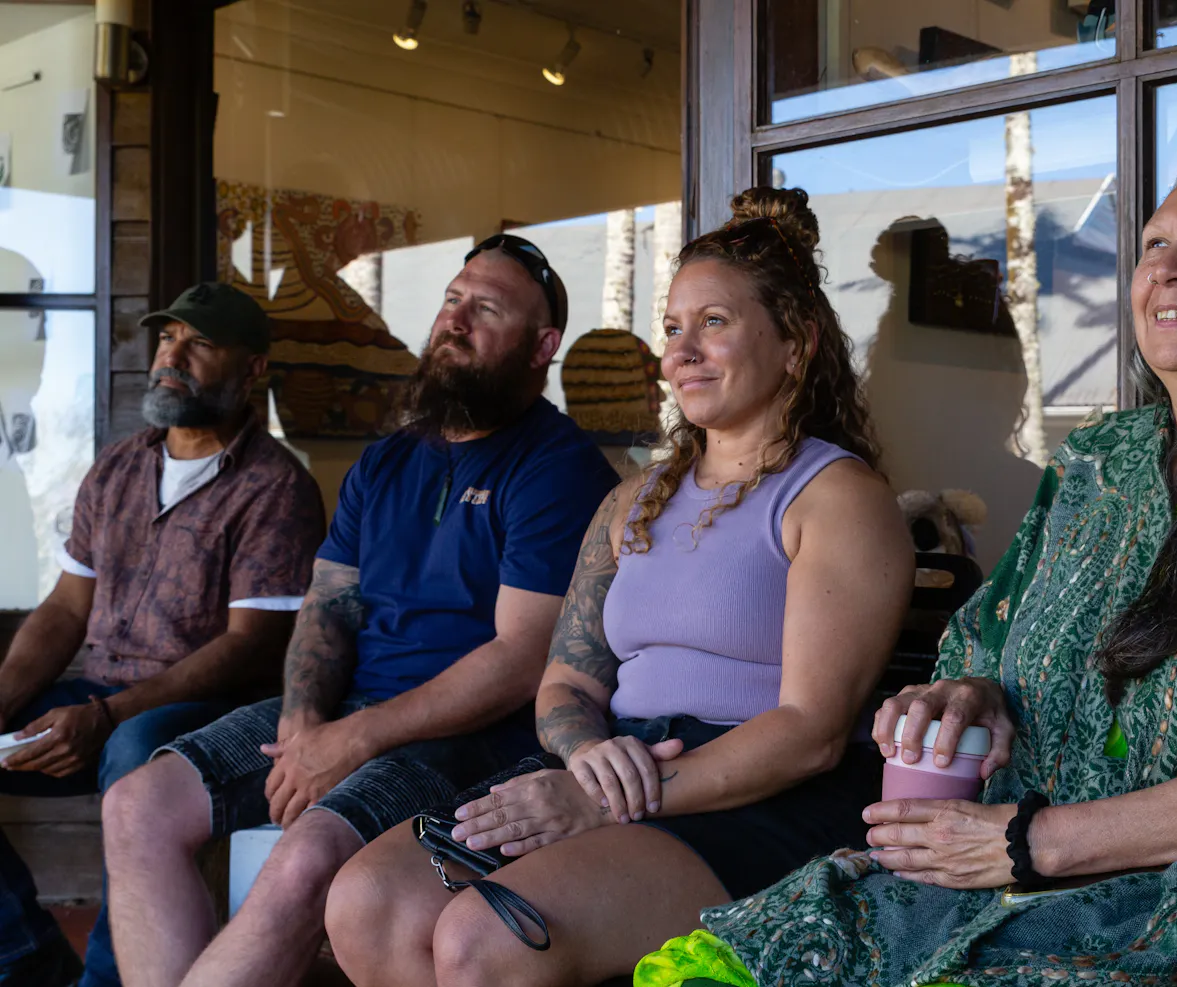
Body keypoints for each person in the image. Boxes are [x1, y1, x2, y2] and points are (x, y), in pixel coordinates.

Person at [637, 159, 1177, 987]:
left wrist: (1032, 841)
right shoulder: (1094, 465)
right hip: (1017, 862)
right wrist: (967, 694)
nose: (1168, 268)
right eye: (1155, 244)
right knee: (744, 955)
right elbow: (988, 642)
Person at [322, 187, 915, 987]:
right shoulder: (634, 498)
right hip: (614, 763)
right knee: (368, 899)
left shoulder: (837, 497)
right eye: (673, 327)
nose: (682, 351)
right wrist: (586, 755)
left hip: (758, 793)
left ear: (797, 342)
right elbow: (567, 676)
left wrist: (609, 798)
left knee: (485, 937)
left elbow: (809, 730)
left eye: (715, 323)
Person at [101, 235, 619, 987]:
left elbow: (521, 657)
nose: (455, 319)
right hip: (351, 708)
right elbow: (330, 601)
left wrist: (351, 739)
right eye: (452, 299)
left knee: (306, 856)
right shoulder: (389, 459)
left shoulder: (558, 468)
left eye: (486, 309)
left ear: (543, 346)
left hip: (475, 737)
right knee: (137, 805)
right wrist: (304, 721)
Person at [0, 282, 323, 987]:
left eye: (199, 343)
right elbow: (63, 610)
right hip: (99, 694)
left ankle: (111, 980)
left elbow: (251, 647)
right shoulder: (118, 467)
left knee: (135, 751)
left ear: (253, 369)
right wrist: (3, 697)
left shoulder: (275, 487)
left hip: (207, 711)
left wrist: (108, 715)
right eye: (167, 339)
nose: (171, 356)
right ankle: (23, 961)